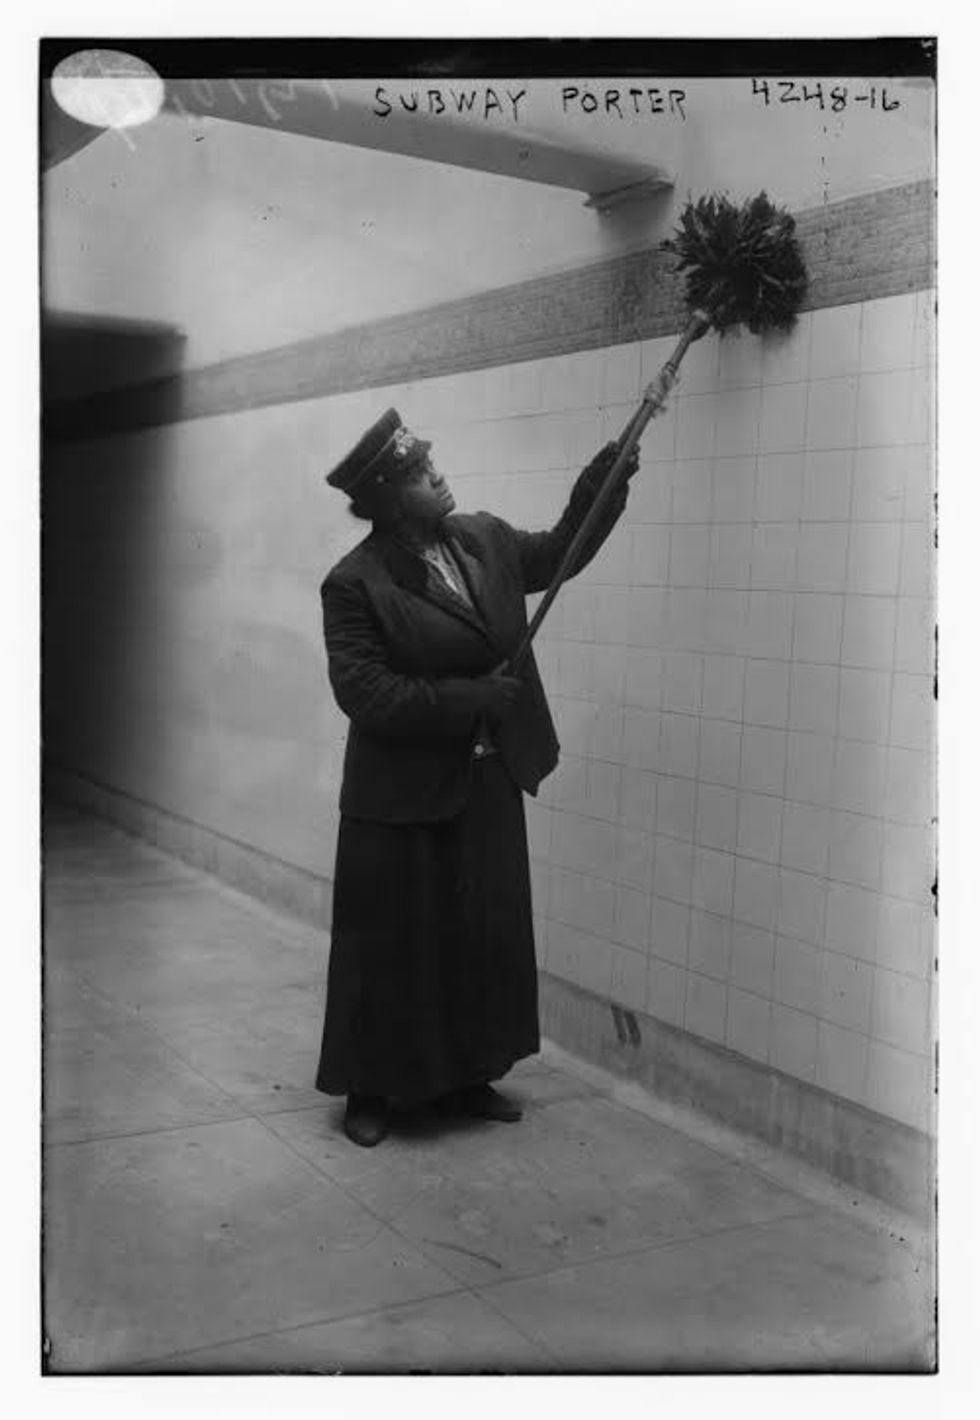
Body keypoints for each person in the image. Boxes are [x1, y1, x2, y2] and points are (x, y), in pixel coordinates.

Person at [315, 406, 639, 1147]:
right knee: (392, 948)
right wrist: (473, 700)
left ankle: (467, 1076)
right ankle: (370, 1089)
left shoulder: (484, 541)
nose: (440, 474)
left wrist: (607, 475)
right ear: (394, 498)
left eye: (434, 464)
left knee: (476, 936)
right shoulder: (355, 585)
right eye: (424, 473)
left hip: (485, 784)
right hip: (398, 800)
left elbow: (560, 552)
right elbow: (365, 693)